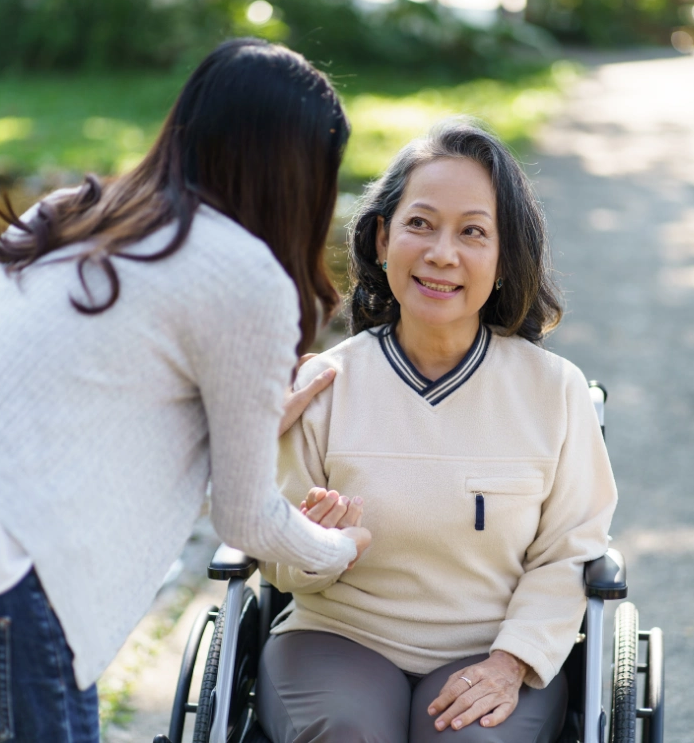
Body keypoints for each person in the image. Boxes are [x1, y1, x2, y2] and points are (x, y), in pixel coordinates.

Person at [0, 38, 370, 743]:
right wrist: (342, 547)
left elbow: (80, 411)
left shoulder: (71, 211)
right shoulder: (245, 275)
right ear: (303, 177)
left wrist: (255, 417)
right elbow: (248, 520)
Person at [257, 122, 618, 743]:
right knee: (347, 733)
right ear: (382, 236)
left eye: (473, 232)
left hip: (490, 644)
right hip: (337, 633)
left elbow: (569, 553)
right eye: (419, 224)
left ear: (506, 258)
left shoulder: (553, 390)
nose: (441, 253)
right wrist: (312, 546)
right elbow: (276, 565)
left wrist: (511, 662)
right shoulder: (324, 384)